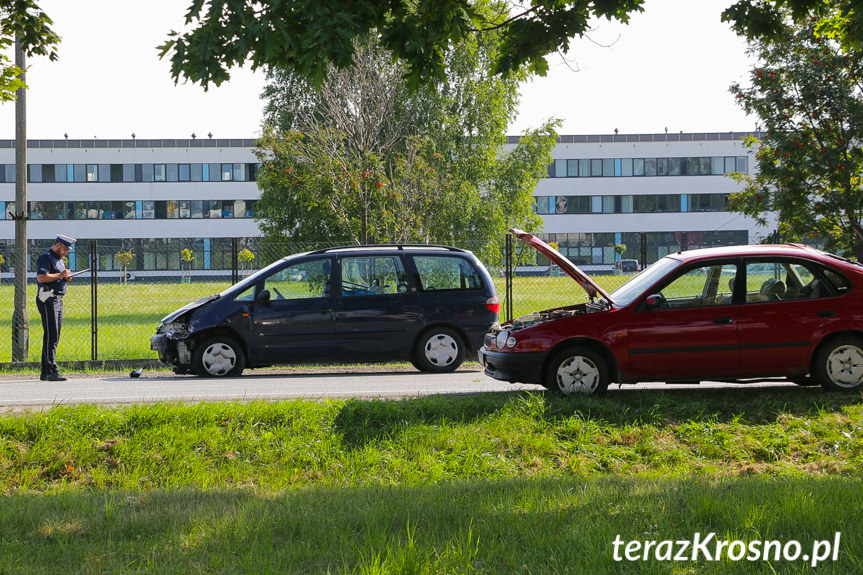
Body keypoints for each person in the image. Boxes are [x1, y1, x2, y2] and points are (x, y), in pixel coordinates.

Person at [35, 234, 76, 381]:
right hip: (48, 298)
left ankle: (46, 370)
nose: (66, 252)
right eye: (65, 249)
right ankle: (52, 369)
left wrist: (66, 277)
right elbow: (41, 277)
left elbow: (58, 275)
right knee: (51, 333)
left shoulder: (59, 260)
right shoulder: (46, 257)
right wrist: (60, 275)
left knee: (55, 334)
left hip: (58, 299)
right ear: (57, 245)